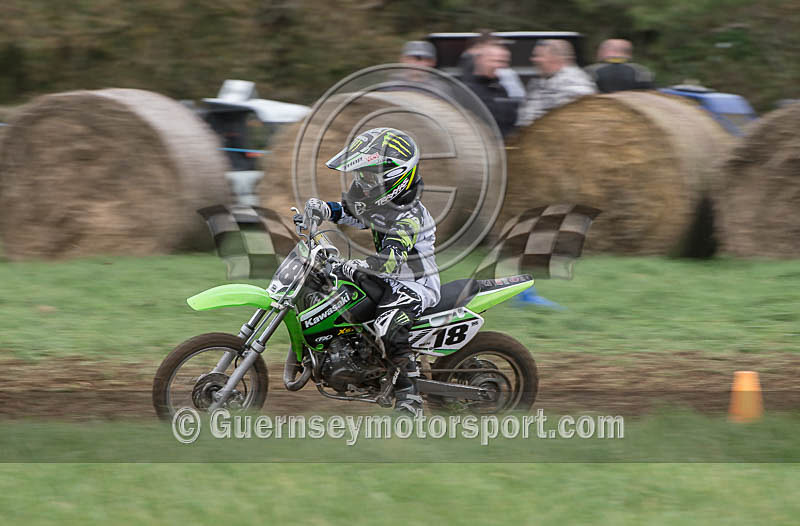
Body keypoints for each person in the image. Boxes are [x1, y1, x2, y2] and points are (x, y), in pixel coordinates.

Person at [300, 127, 440, 417]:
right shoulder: (379, 199)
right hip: (387, 278)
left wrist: (360, 266)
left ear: (394, 177)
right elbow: (353, 211)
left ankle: (409, 396)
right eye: (360, 175)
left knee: (388, 323)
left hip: (414, 285)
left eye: (367, 176)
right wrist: (324, 209)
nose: (361, 182)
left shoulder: (409, 216)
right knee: (333, 290)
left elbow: (391, 259)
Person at [517, 39, 597, 126]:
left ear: (555, 57)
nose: (533, 59)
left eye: (538, 56)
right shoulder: (542, 82)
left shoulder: (575, 86)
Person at [463, 43, 520, 137]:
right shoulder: (467, 92)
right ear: (479, 60)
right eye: (494, 61)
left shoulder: (501, 89)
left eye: (503, 62)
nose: (499, 66)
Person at [585, 39, 655, 93]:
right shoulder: (641, 71)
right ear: (629, 54)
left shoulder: (590, 71)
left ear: (605, 51)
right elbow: (650, 95)